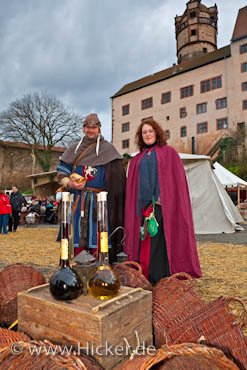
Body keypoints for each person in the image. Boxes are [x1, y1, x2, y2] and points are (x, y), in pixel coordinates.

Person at [124, 118, 201, 283]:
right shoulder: (137, 159)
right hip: (142, 209)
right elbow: (133, 187)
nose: (147, 134)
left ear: (156, 132)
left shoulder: (169, 153)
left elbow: (176, 183)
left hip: (162, 208)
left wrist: (163, 200)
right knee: (145, 242)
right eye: (144, 132)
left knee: (159, 244)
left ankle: (160, 277)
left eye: (150, 131)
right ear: (140, 136)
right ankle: (145, 276)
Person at [57, 113, 126, 261]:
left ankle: (100, 270)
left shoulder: (108, 150)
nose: (91, 130)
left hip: (100, 202)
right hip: (77, 200)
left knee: (100, 234)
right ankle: (77, 269)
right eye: (88, 127)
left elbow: (118, 178)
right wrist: (69, 183)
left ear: (99, 129)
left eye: (94, 127)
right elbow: (61, 173)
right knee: (76, 237)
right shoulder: (74, 149)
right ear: (84, 128)